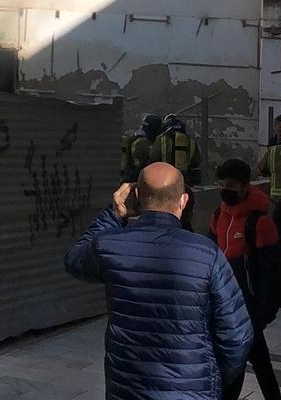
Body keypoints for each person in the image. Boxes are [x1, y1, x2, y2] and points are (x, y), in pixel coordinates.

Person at [65, 163, 253, 400]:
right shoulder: (207, 254)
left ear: (136, 196)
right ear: (183, 201)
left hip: (127, 390)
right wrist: (211, 380)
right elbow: (237, 336)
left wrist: (113, 214)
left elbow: (74, 260)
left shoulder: (109, 246)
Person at [210, 159, 281, 400]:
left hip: (249, 310)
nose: (225, 191)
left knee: (239, 366)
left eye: (230, 186)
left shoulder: (260, 223)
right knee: (259, 365)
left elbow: (270, 273)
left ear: (244, 187)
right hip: (225, 306)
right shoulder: (218, 215)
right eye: (221, 185)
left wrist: (261, 315)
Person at [149, 114, 201, 185]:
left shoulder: (161, 139)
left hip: (165, 178)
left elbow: (153, 157)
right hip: (185, 179)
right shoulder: (191, 140)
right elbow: (197, 161)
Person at [120, 114, 162, 183]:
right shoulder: (142, 141)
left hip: (132, 173)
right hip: (136, 175)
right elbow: (144, 161)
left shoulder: (137, 136)